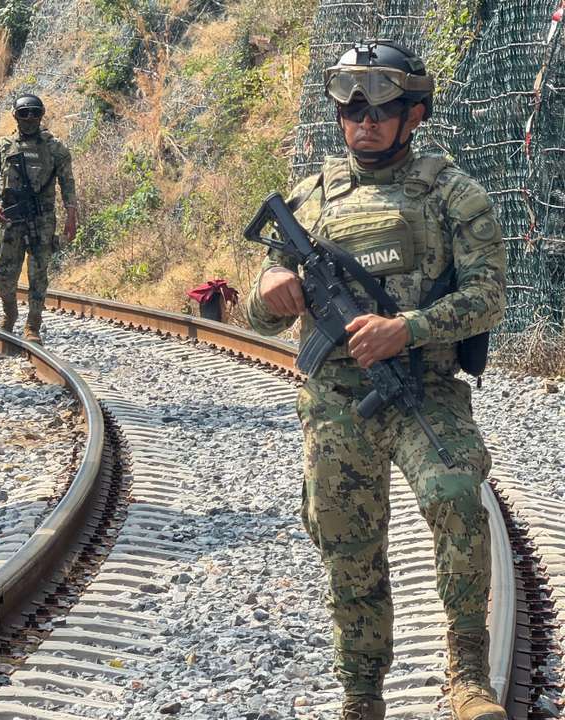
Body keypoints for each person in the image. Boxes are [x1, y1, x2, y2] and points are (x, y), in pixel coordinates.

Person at [243, 40, 507, 720]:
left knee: (455, 494)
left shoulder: (454, 194)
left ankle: (469, 671)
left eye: (380, 107)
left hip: (423, 386)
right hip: (335, 397)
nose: (363, 121)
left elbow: (489, 297)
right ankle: (361, 695)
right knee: (344, 538)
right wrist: (270, 286)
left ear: (414, 112)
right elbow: (260, 307)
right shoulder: (311, 197)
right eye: (350, 106)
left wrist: (409, 329)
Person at [0, 94, 77, 343]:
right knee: (4, 275)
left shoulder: (55, 148)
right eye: (24, 113)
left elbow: (68, 183)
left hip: (42, 219)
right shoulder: (3, 146)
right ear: (15, 115)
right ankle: (9, 313)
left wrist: (71, 215)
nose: (30, 118)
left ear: (42, 114)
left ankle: (32, 325)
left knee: (38, 275)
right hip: (12, 219)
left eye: (35, 112)